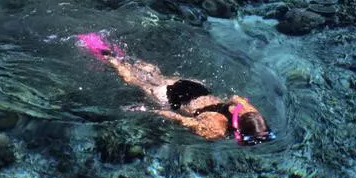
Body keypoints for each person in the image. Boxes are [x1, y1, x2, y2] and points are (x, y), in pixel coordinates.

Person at [77, 32, 276, 146]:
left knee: (154, 73)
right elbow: (178, 118)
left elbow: (234, 97)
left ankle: (120, 54)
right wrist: (148, 110)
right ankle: (103, 53)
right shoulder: (215, 130)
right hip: (171, 97)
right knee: (131, 80)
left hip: (196, 87)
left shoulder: (248, 111)